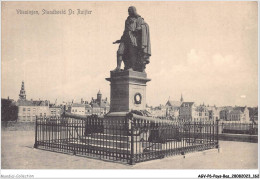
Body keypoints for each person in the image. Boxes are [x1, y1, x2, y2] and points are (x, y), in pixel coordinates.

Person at [113, 6, 151, 72]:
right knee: (119, 52)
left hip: (133, 39)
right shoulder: (127, 20)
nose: (128, 12)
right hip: (125, 38)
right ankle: (118, 67)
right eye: (128, 11)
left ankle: (131, 67)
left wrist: (140, 28)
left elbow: (145, 26)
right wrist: (119, 40)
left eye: (130, 11)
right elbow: (125, 31)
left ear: (133, 11)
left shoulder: (139, 19)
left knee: (132, 53)